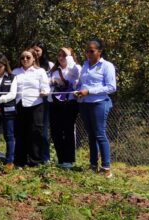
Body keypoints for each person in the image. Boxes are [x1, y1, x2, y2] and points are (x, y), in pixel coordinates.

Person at [75, 39, 116, 178]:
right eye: (86, 51)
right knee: (91, 135)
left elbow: (111, 87)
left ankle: (106, 168)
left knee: (100, 134)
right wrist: (78, 91)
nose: (88, 53)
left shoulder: (107, 66)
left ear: (99, 51)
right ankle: (93, 165)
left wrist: (89, 91)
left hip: (99, 103)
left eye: (91, 51)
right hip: (85, 103)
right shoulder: (85, 65)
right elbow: (82, 83)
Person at [12, 49, 50, 167]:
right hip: (20, 105)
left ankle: (35, 161)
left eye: (28, 57)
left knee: (35, 132)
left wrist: (44, 92)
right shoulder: (15, 72)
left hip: (36, 105)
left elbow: (46, 87)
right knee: (20, 133)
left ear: (34, 59)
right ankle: (20, 161)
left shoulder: (40, 71)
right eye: (23, 57)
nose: (25, 60)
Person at [49, 47, 80, 169]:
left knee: (68, 131)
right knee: (56, 132)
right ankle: (61, 159)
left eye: (65, 55)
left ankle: (69, 160)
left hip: (69, 103)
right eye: (59, 55)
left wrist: (69, 56)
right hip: (55, 103)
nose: (61, 58)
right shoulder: (54, 71)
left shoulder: (75, 69)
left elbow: (76, 74)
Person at [32, 41, 54, 163]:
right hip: (31, 101)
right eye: (34, 50)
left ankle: (45, 157)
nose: (35, 53)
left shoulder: (49, 65)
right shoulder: (28, 63)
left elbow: (51, 80)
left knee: (44, 130)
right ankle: (33, 156)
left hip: (45, 100)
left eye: (38, 50)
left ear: (43, 52)